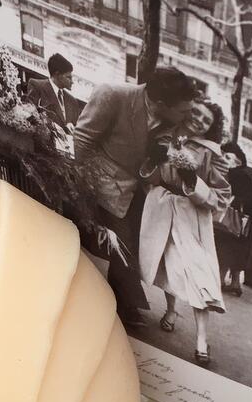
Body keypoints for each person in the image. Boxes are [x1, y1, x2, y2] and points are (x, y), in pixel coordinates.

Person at [73, 66, 198, 327]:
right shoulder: (112, 94)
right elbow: (83, 138)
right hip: (104, 182)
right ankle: (124, 305)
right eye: (183, 110)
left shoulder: (173, 120)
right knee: (122, 244)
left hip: (141, 191)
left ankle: (121, 301)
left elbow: (163, 156)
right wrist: (83, 185)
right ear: (162, 104)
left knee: (136, 247)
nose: (188, 115)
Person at [139, 100, 232, 366]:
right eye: (196, 113)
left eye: (206, 120)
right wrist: (152, 162)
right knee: (167, 265)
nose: (199, 120)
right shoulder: (164, 137)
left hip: (191, 217)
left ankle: (202, 340)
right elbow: (150, 178)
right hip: (162, 209)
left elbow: (222, 197)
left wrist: (193, 181)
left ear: (211, 128)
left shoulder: (212, 153)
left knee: (197, 274)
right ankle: (171, 311)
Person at [215, 142, 252, 298]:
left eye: (227, 157)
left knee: (224, 250)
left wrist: (236, 202)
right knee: (237, 253)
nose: (223, 160)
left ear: (238, 161)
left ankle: (220, 281)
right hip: (243, 223)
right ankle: (235, 283)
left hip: (230, 220)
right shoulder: (248, 176)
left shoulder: (234, 174)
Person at [25, 53, 82, 132]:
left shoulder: (73, 101)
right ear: (57, 74)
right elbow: (29, 116)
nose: (72, 82)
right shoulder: (37, 86)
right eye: (68, 77)